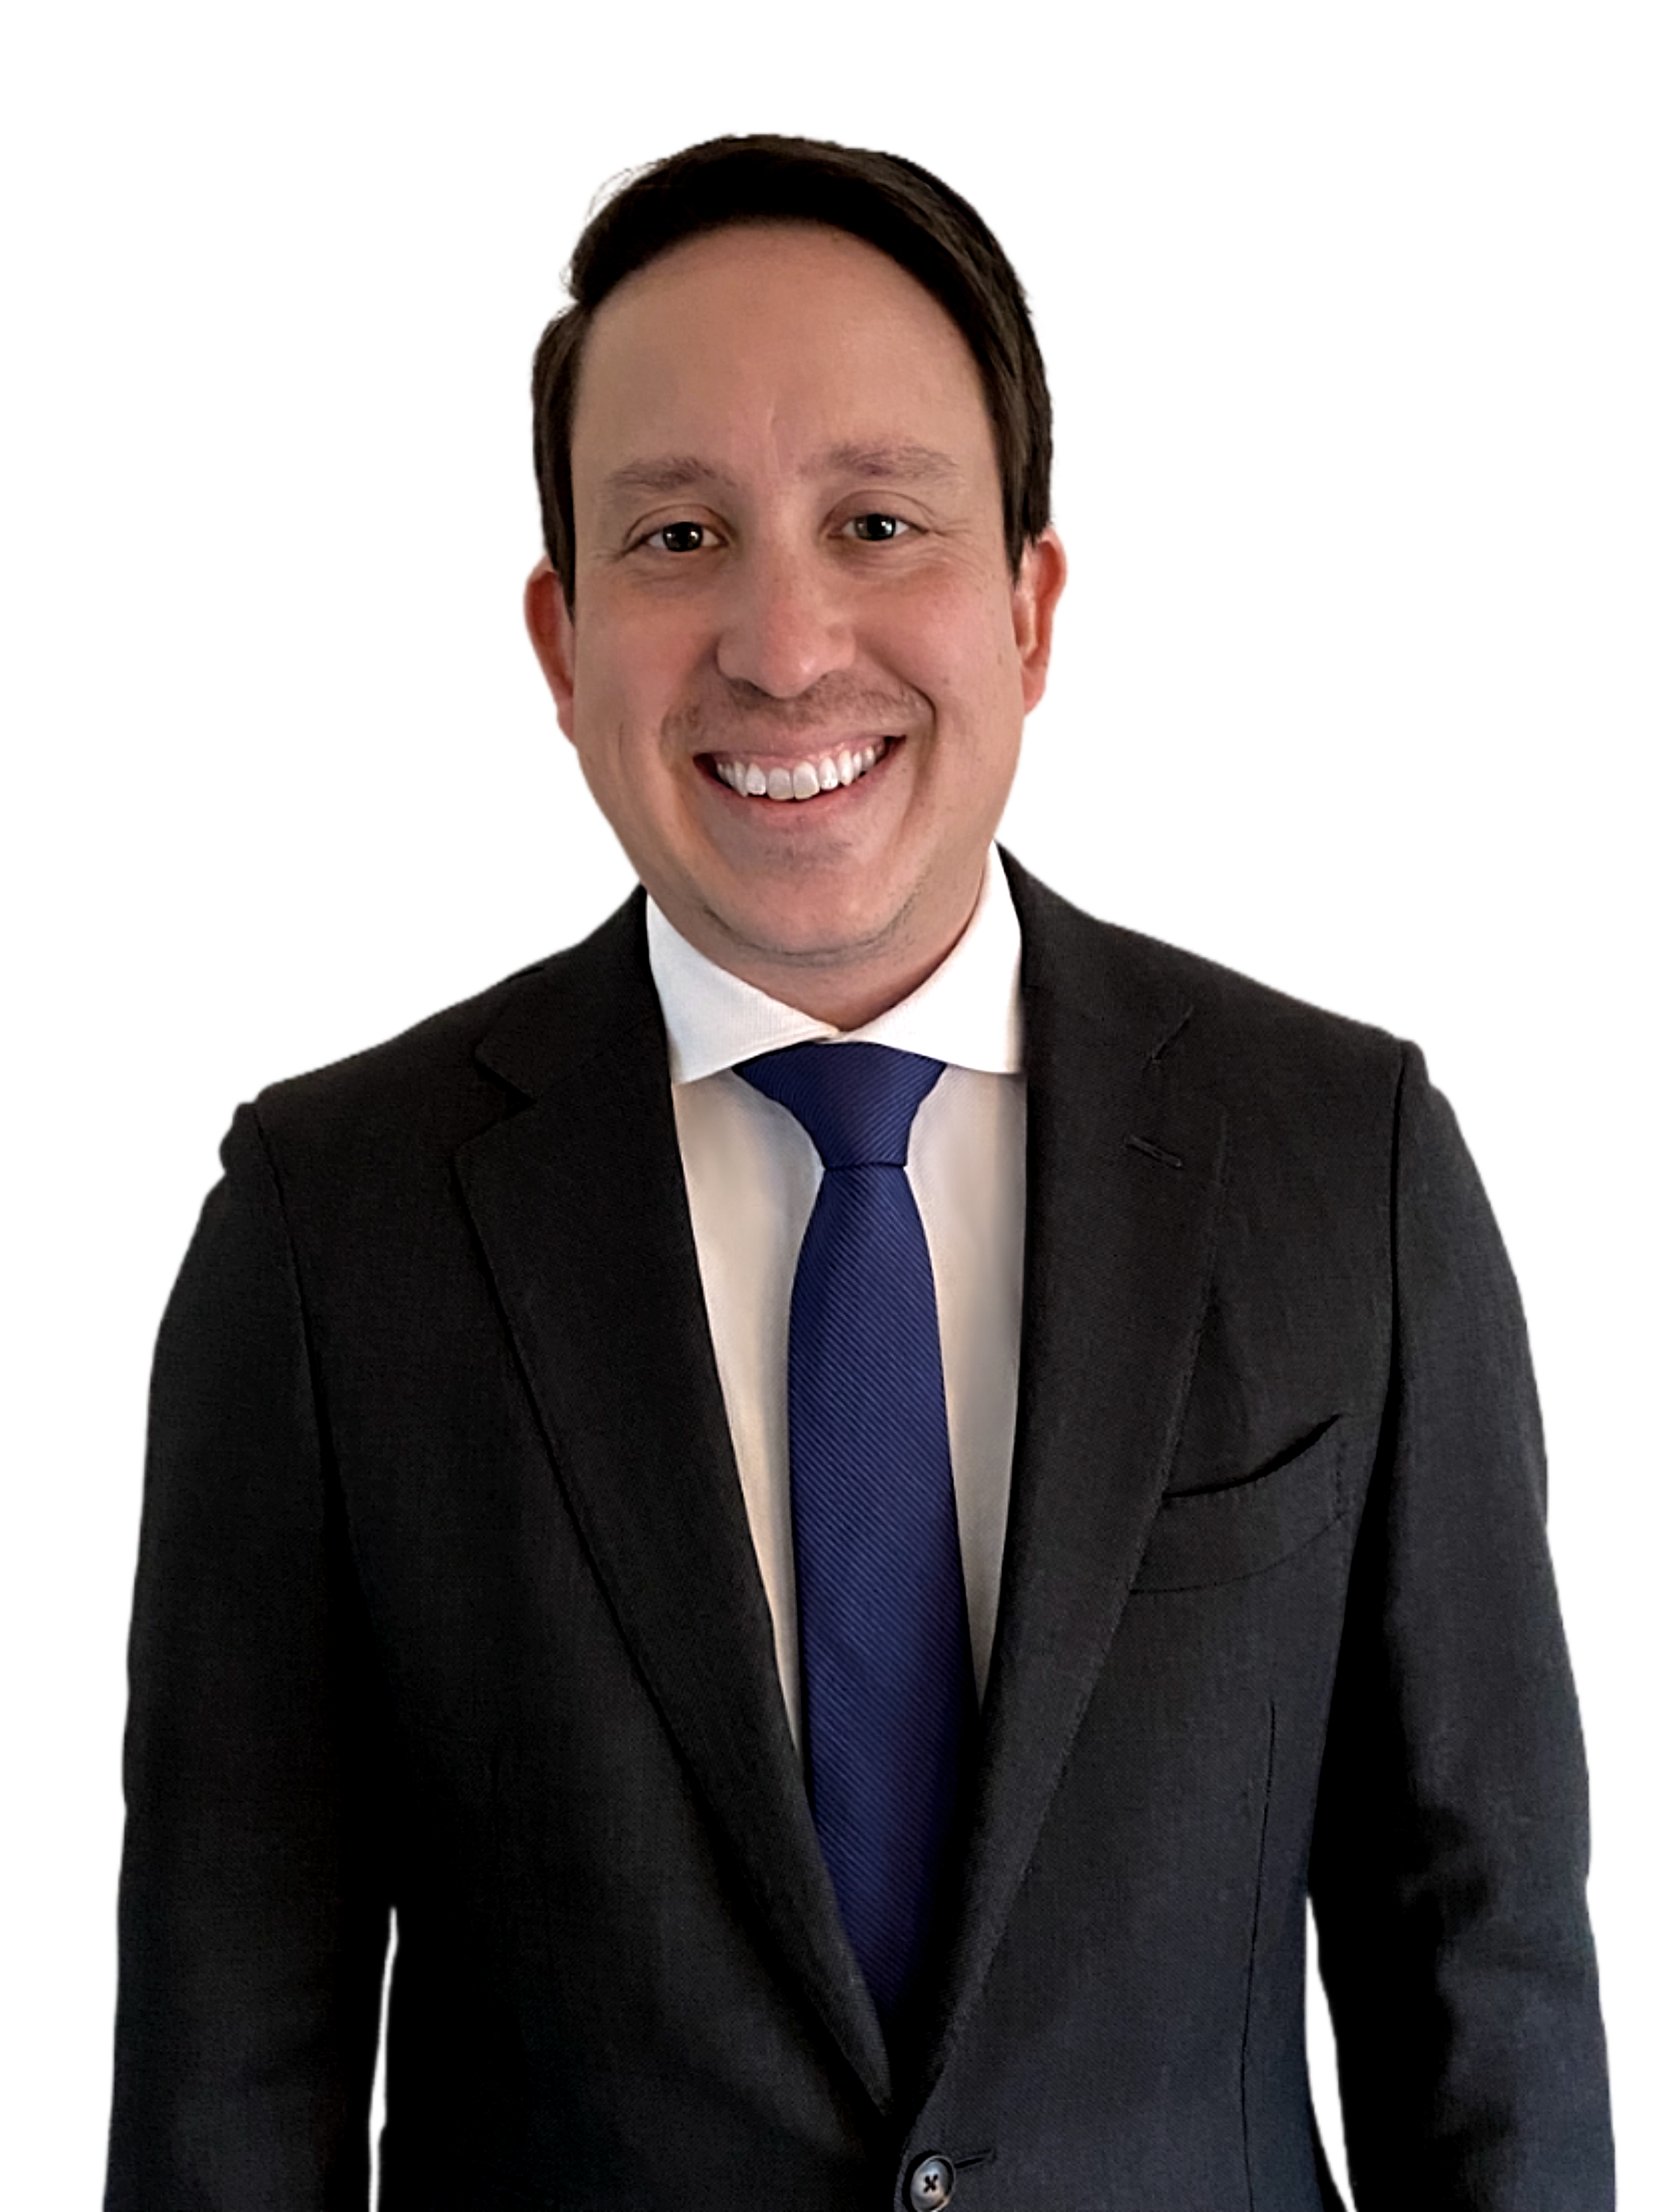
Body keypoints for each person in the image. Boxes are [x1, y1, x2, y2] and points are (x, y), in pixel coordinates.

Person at [104, 129, 1618, 2208]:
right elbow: (232, 2082)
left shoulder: (1336, 1158)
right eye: (676, 538)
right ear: (555, 641)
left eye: (877, 520)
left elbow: (1487, 2001)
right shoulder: (323, 1223)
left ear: (1036, 598)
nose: (785, 644)